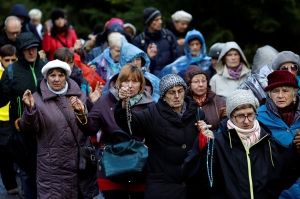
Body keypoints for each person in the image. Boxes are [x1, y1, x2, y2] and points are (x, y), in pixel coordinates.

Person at [184, 89, 300, 199]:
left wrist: (296, 150)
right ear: (230, 116)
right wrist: (201, 148)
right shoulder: (217, 142)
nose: (246, 121)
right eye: (240, 116)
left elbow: (285, 178)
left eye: (250, 114)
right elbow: (195, 177)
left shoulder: (268, 141)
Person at [114, 74, 208, 199]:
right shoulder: (153, 113)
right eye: (171, 92)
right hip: (163, 186)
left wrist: (205, 132)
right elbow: (130, 123)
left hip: (192, 186)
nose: (176, 96)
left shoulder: (197, 113)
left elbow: (206, 148)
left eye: (180, 91)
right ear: (163, 96)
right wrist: (124, 103)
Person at [20, 59, 100, 199]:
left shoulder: (80, 95)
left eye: (61, 75)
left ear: (66, 77)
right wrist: (30, 111)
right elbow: (29, 130)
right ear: (46, 77)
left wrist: (91, 104)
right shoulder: (37, 99)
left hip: (79, 165)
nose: (57, 79)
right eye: (52, 75)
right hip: (52, 168)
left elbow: (91, 128)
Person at [76, 64, 154, 199]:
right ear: (119, 83)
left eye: (135, 81)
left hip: (140, 168)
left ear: (141, 84)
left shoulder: (150, 103)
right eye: (126, 80)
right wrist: (82, 114)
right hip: (111, 166)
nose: (130, 85)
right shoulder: (106, 100)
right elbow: (91, 128)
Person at [0, 32, 45, 199]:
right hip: (22, 132)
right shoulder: (11, 72)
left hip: (47, 129)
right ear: (20, 51)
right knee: (27, 173)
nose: (31, 52)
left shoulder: (46, 68)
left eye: (34, 48)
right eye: (27, 49)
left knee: (49, 171)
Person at [257, 70, 300, 198]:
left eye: (285, 90)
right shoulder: (258, 117)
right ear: (269, 95)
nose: (280, 95)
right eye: (276, 91)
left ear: (294, 95)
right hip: (275, 191)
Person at [133, 7, 182, 76]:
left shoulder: (168, 35)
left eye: (160, 19)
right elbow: (136, 66)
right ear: (149, 22)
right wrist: (149, 57)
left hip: (170, 78)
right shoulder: (139, 41)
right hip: (150, 80)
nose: (160, 22)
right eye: (156, 20)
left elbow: (178, 58)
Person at [0, 44, 19, 195]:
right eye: (7, 60)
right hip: (2, 118)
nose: (10, 64)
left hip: (17, 115)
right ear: (1, 59)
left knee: (21, 149)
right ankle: (10, 185)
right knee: (5, 152)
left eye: (14, 59)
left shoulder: (19, 71)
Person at [184, 65, 226, 131]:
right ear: (189, 84)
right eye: (196, 81)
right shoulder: (184, 102)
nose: (201, 85)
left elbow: (225, 124)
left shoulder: (217, 100)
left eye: (203, 81)